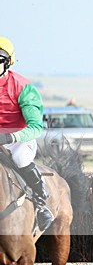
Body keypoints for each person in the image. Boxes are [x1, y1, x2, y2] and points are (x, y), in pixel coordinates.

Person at [0, 37, 54, 231]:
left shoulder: (23, 87)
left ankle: (41, 205)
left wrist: (11, 137)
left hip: (19, 139)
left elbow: (35, 127)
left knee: (20, 158)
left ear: (8, 63)